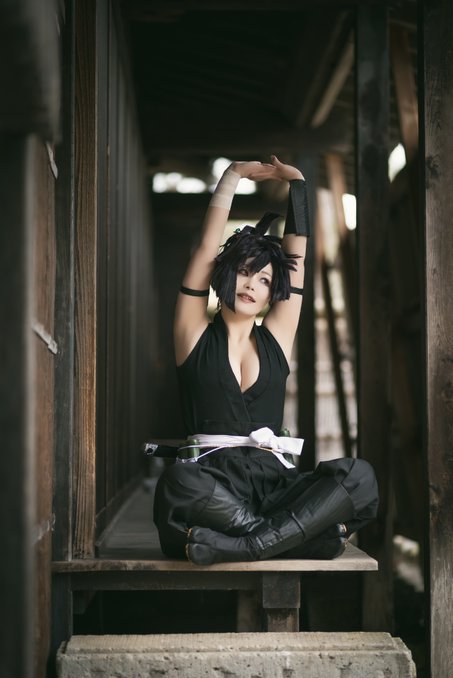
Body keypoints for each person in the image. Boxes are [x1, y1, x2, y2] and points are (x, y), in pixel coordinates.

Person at [153, 156, 378, 565]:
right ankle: (292, 538)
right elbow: (206, 250)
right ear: (225, 274)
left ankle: (248, 546)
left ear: (274, 292)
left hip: (275, 488)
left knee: (360, 476)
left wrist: (298, 185)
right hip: (213, 489)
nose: (251, 285)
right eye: (244, 272)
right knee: (177, 481)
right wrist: (231, 177)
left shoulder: (277, 337)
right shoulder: (194, 334)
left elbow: (297, 260)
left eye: (264, 280)